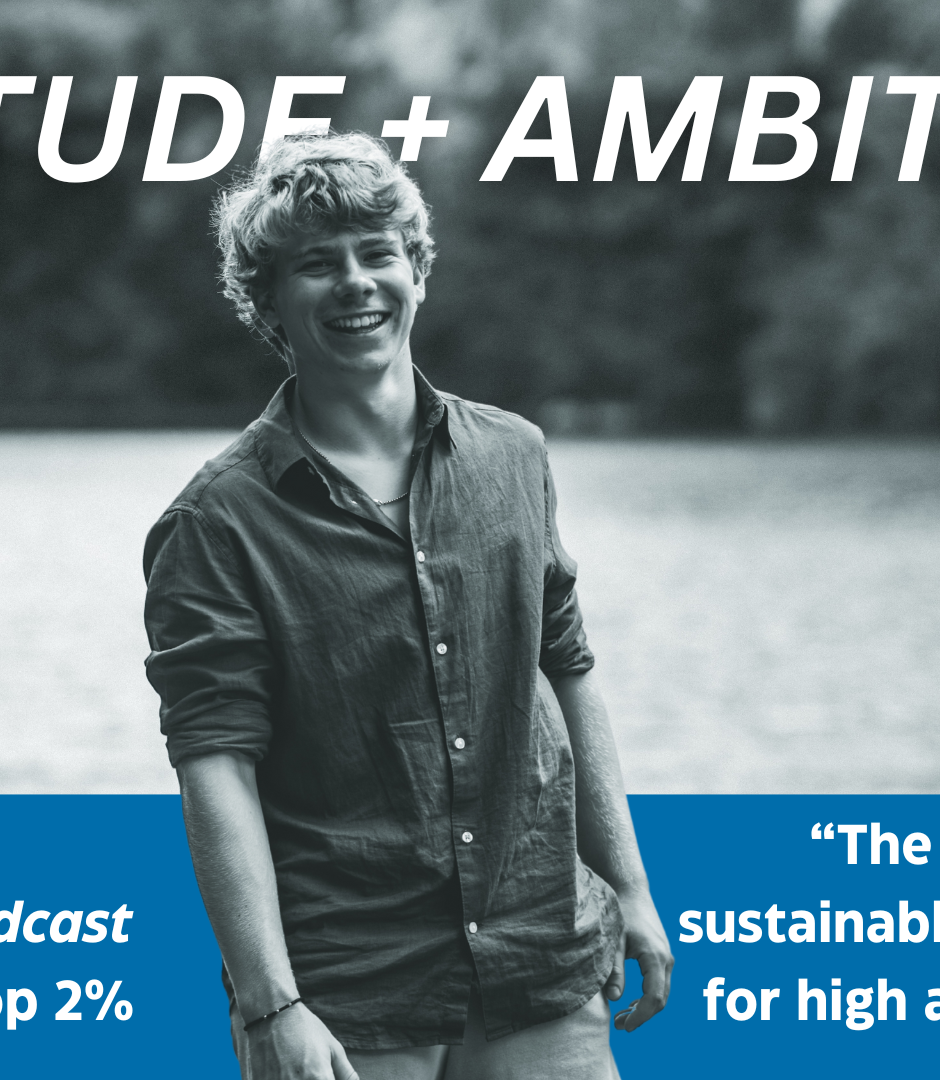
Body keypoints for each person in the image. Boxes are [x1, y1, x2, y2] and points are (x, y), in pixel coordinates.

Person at [142, 131, 671, 1080]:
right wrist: (272, 1003)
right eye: (316, 264)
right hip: (347, 995)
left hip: (541, 959)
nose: (355, 283)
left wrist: (630, 886)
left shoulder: (516, 458)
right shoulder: (216, 523)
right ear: (268, 302)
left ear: (417, 271)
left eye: (377, 252)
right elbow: (215, 768)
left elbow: (568, 672)